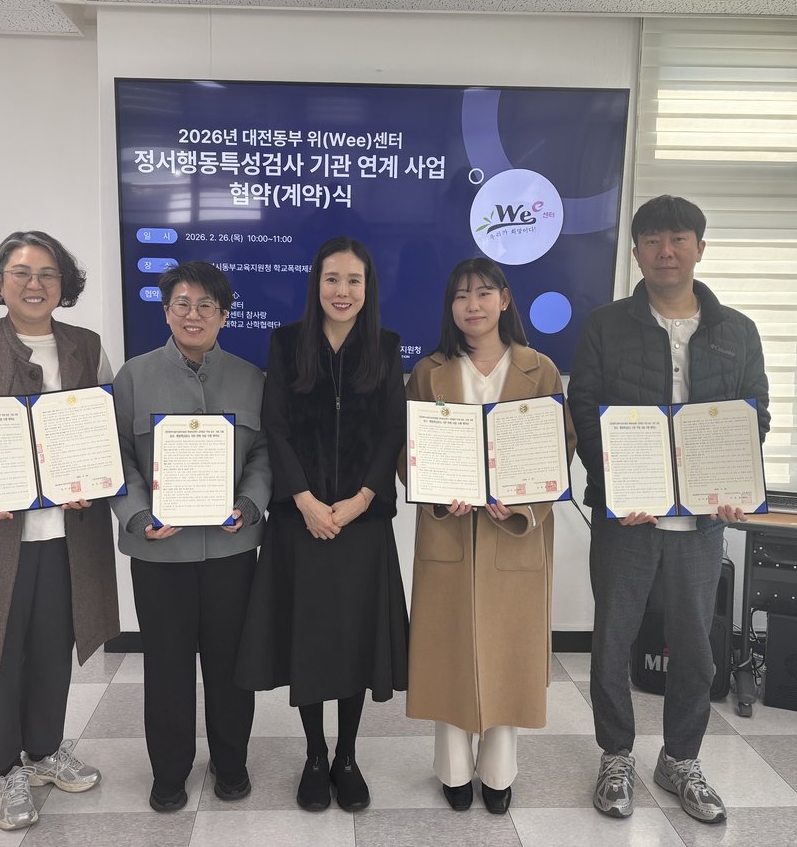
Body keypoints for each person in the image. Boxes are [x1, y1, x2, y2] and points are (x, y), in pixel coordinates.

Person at [568, 195, 770, 825]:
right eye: (653, 240)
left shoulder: (736, 330)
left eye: (679, 239)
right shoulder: (605, 325)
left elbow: (755, 413)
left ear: (699, 248)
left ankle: (680, 759)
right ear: (636, 252)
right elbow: (585, 410)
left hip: (701, 523)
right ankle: (616, 756)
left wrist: (735, 482)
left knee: (695, 649)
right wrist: (616, 487)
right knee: (612, 642)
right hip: (627, 519)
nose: (666, 251)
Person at [0, 231, 120, 832]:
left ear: (65, 283)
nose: (35, 285)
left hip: (66, 534)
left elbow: (103, 424)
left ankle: (45, 749)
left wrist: (95, 476)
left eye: (48, 274)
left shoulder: (86, 346)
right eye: (22, 273)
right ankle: (5, 767)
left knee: (54, 647)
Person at [236, 235, 409, 813]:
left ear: (368, 288)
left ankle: (347, 756)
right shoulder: (287, 343)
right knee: (309, 639)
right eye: (332, 279)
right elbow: (276, 426)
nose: (342, 290)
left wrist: (361, 500)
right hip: (299, 520)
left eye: (353, 280)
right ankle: (315, 755)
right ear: (316, 284)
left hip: (362, 521)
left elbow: (392, 431)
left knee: (354, 639)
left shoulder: (385, 346)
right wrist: (305, 501)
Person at [402, 258, 577, 815]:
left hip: (513, 537)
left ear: (504, 299)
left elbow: (558, 451)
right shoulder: (429, 372)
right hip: (449, 533)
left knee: (508, 656)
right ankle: (453, 770)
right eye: (460, 295)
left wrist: (523, 505)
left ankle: (499, 772)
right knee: (447, 653)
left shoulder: (540, 369)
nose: (471, 305)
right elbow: (409, 452)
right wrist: (436, 494)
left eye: (482, 293)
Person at [110, 261, 271, 812]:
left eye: (207, 305)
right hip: (160, 551)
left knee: (231, 667)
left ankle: (231, 763)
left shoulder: (251, 378)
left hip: (231, 550)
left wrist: (249, 504)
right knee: (167, 667)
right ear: (166, 311)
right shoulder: (133, 377)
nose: (193, 314)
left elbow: (264, 454)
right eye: (182, 303)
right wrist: (137, 515)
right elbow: (119, 457)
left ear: (224, 316)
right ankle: (170, 771)